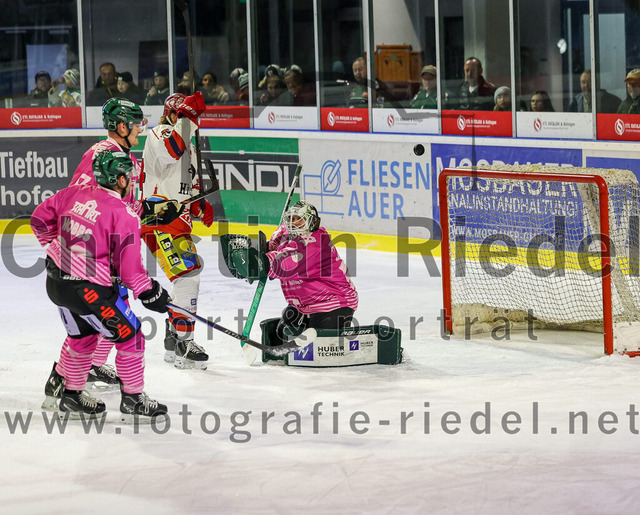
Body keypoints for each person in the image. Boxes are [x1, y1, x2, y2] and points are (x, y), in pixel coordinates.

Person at [41, 97, 182, 396]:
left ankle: (71, 377)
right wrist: (63, 248)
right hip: (93, 261)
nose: (141, 129)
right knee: (100, 321)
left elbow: (121, 205)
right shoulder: (101, 154)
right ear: (121, 126)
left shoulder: (123, 157)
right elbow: (82, 202)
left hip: (106, 256)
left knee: (94, 324)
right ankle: (67, 380)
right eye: (136, 124)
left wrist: (153, 210)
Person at [31, 149, 170, 420]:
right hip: (89, 291)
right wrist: (152, 292)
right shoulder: (124, 214)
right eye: (130, 177)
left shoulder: (73, 193)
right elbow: (130, 273)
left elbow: (38, 218)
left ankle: (72, 396)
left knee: (83, 337)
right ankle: (133, 400)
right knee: (132, 337)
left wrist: (54, 246)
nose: (132, 182)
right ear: (120, 180)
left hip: (56, 282)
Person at [141, 91, 213, 370]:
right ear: (170, 114)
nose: (181, 119)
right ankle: (184, 341)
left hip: (176, 221)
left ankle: (174, 337)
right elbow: (172, 149)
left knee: (186, 277)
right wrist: (187, 117)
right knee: (188, 275)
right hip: (159, 218)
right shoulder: (159, 134)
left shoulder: (189, 145)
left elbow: (186, 188)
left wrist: (198, 205)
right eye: (178, 114)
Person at [223, 200, 358, 343]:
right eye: (291, 218)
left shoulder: (315, 245)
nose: (293, 223)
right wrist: (263, 251)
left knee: (318, 343)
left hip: (333, 302)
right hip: (303, 304)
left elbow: (284, 263)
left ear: (312, 222)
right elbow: (275, 244)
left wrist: (261, 263)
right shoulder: (286, 232)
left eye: (299, 219)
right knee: (281, 335)